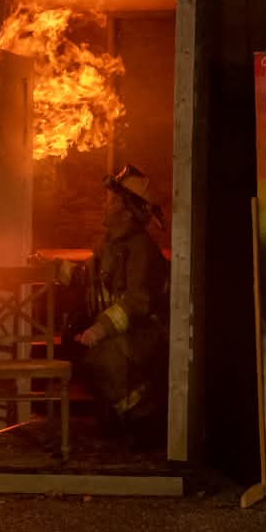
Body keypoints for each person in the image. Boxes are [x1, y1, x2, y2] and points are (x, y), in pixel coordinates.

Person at [72, 164, 169, 435]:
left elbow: (138, 302)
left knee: (104, 358)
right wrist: (55, 269)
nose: (107, 204)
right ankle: (121, 420)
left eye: (114, 201)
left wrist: (100, 328)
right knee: (82, 350)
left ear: (127, 213)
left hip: (146, 334)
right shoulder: (111, 245)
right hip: (124, 333)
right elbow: (87, 276)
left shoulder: (140, 250)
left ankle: (144, 422)